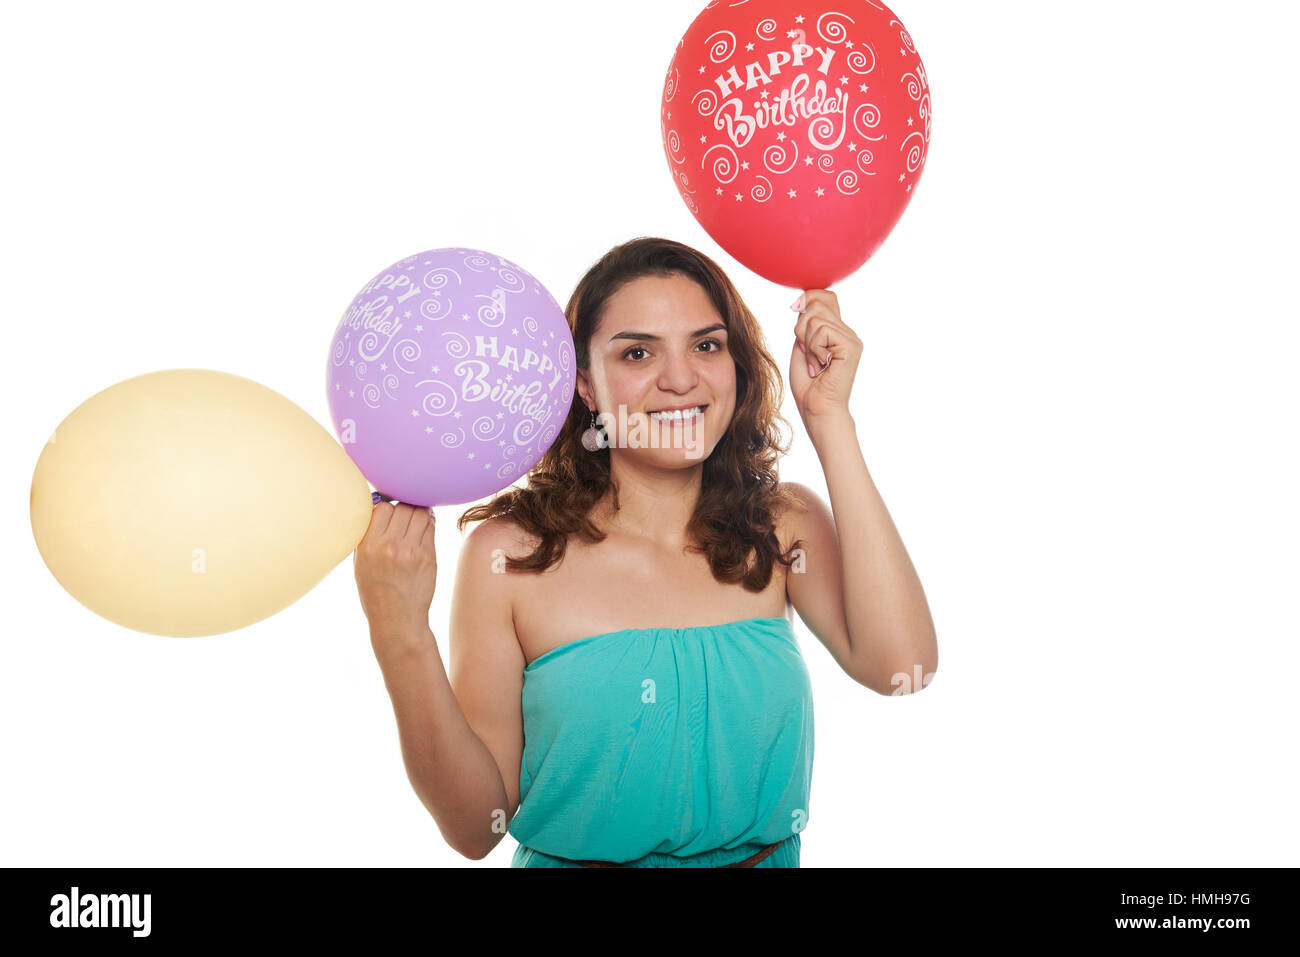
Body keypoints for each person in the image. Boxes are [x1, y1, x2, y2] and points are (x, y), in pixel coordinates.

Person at [353, 237, 938, 867]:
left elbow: (901, 667)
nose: (681, 379)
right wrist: (398, 630)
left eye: (707, 345)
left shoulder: (780, 525)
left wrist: (830, 419)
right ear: (584, 384)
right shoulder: (512, 554)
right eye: (637, 352)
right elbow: (476, 830)